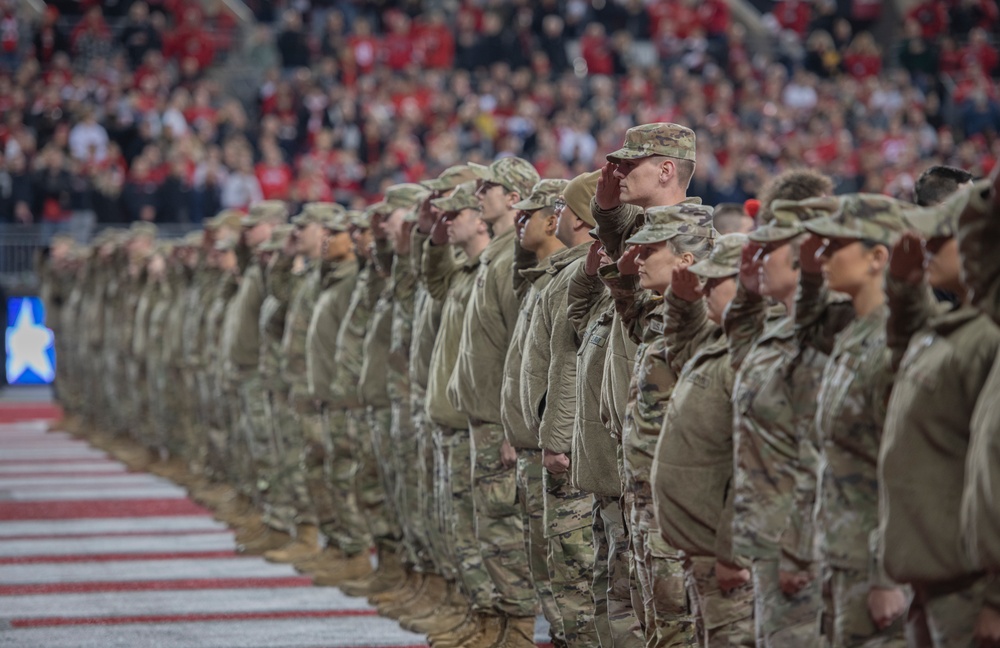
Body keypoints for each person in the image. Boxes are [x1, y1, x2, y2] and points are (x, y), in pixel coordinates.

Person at [591, 122, 703, 647]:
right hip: (644, 453)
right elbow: (647, 330)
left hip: (675, 462)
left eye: (631, 163)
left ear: (665, 170)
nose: (618, 171)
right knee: (651, 604)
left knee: (677, 608)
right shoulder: (655, 237)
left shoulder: (694, 237)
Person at [880, 185, 1000, 645]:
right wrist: (903, 289)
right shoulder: (953, 331)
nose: (926, 248)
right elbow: (901, 364)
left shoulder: (987, 336)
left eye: (941, 238)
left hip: (972, 582)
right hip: (934, 572)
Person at [800, 195, 912, 647]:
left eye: (836, 247)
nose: (822, 257)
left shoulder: (892, 343)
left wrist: (886, 574)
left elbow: (905, 466)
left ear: (877, 258)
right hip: (840, 551)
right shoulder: (853, 335)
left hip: (875, 564)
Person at [447, 157, 542, 648]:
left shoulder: (512, 259)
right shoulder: (497, 255)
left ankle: (519, 629)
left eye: (490, 186)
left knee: (503, 532)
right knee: (488, 529)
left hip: (497, 419)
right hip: (481, 414)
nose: (479, 193)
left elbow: (518, 350)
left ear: (513, 198)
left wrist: (512, 424)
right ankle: (501, 623)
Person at [653, 232, 753, 645]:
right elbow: (678, 353)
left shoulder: (754, 349)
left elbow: (753, 462)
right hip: (702, 547)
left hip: (726, 553)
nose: (705, 289)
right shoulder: (720, 336)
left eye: (716, 282)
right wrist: (680, 302)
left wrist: (735, 552)